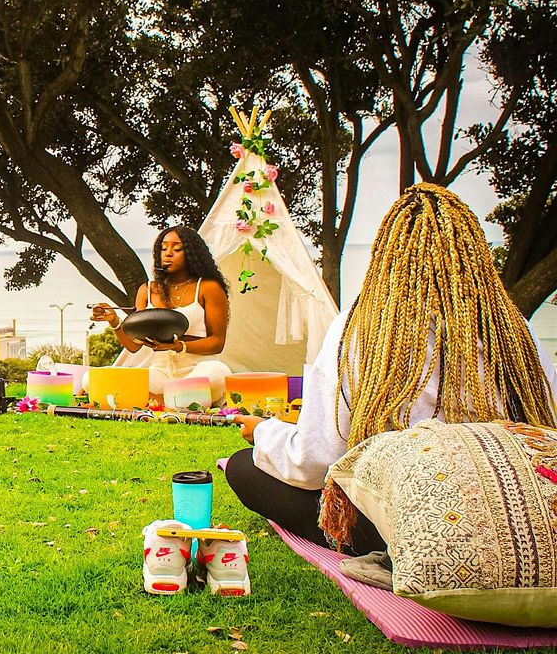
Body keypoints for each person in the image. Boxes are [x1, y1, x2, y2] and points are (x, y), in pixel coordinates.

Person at [225, 183, 557, 554]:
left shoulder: (360, 327)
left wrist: (265, 434)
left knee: (243, 469)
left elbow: (316, 464)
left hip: (411, 524)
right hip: (520, 519)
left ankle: (403, 554)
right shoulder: (514, 329)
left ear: (388, 256)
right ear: (474, 256)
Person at [90, 225, 232, 404]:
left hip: (198, 368)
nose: (168, 253)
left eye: (177, 248)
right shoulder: (148, 290)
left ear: (192, 253)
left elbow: (217, 342)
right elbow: (134, 345)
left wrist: (179, 346)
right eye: (163, 248)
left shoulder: (209, 288)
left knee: (220, 373)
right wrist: (115, 321)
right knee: (90, 378)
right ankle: (180, 401)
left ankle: (154, 400)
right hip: (161, 373)